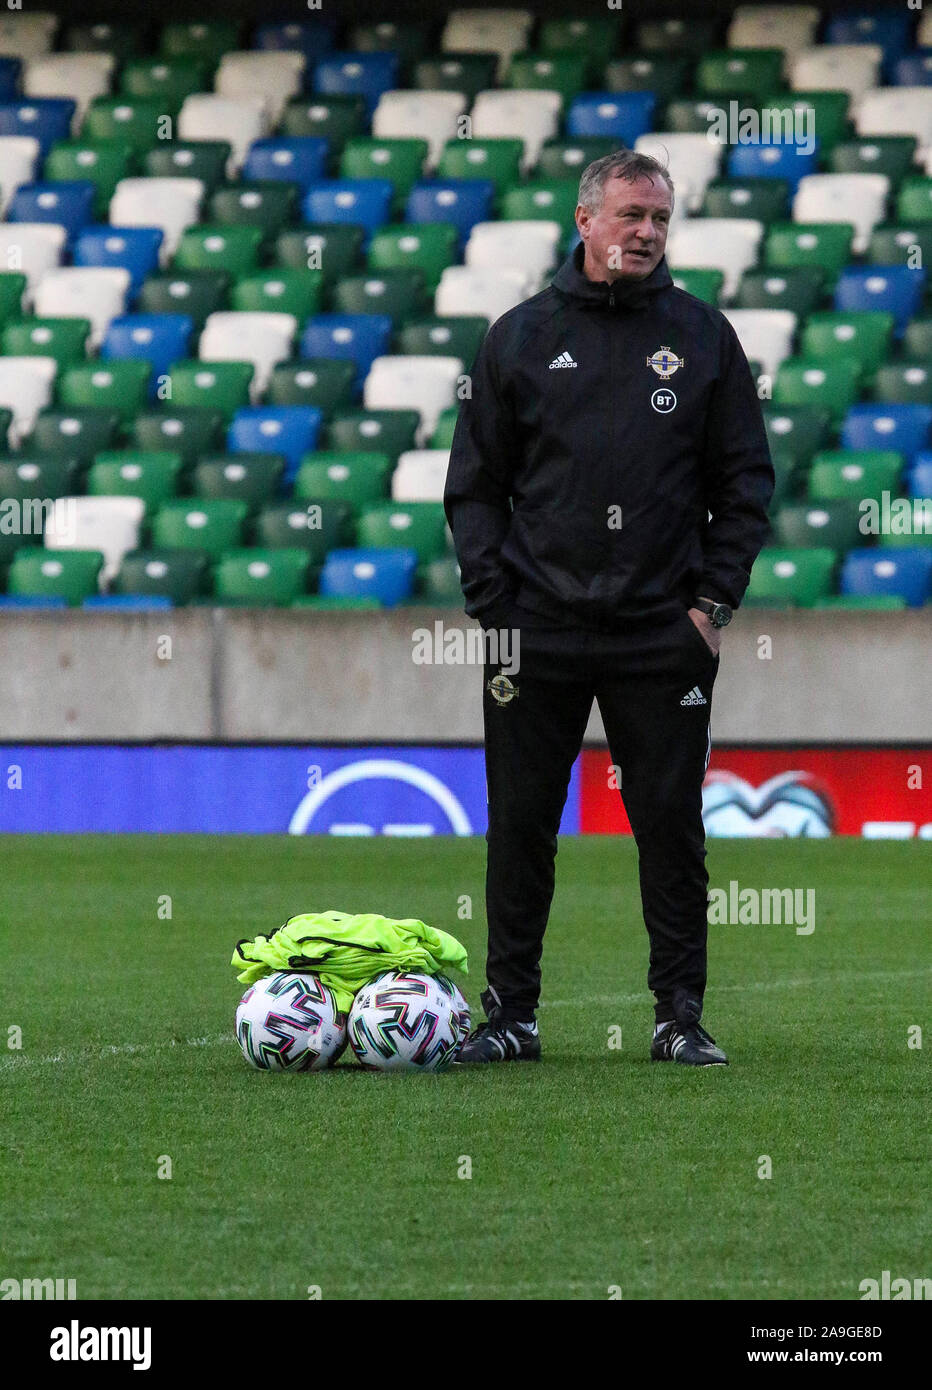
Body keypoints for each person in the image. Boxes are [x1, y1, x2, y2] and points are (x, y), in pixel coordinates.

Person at [443, 149, 774, 1066]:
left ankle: (678, 1017)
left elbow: (744, 483)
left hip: (659, 633)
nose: (647, 233)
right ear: (585, 218)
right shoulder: (516, 337)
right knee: (519, 822)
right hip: (534, 630)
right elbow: (475, 489)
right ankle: (511, 1015)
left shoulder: (704, 337)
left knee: (670, 823)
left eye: (661, 219)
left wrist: (710, 604)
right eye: (631, 215)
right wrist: (493, 606)